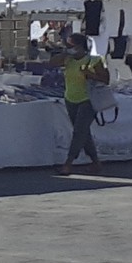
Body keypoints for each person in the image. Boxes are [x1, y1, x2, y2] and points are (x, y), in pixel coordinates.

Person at [54, 32, 107, 175]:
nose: (68, 48)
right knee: (84, 132)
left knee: (78, 132)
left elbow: (105, 79)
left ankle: (68, 163)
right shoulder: (68, 60)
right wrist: (65, 53)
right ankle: (95, 162)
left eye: (70, 45)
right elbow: (52, 63)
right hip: (70, 98)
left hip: (88, 99)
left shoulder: (94, 60)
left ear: (79, 46)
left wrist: (90, 75)